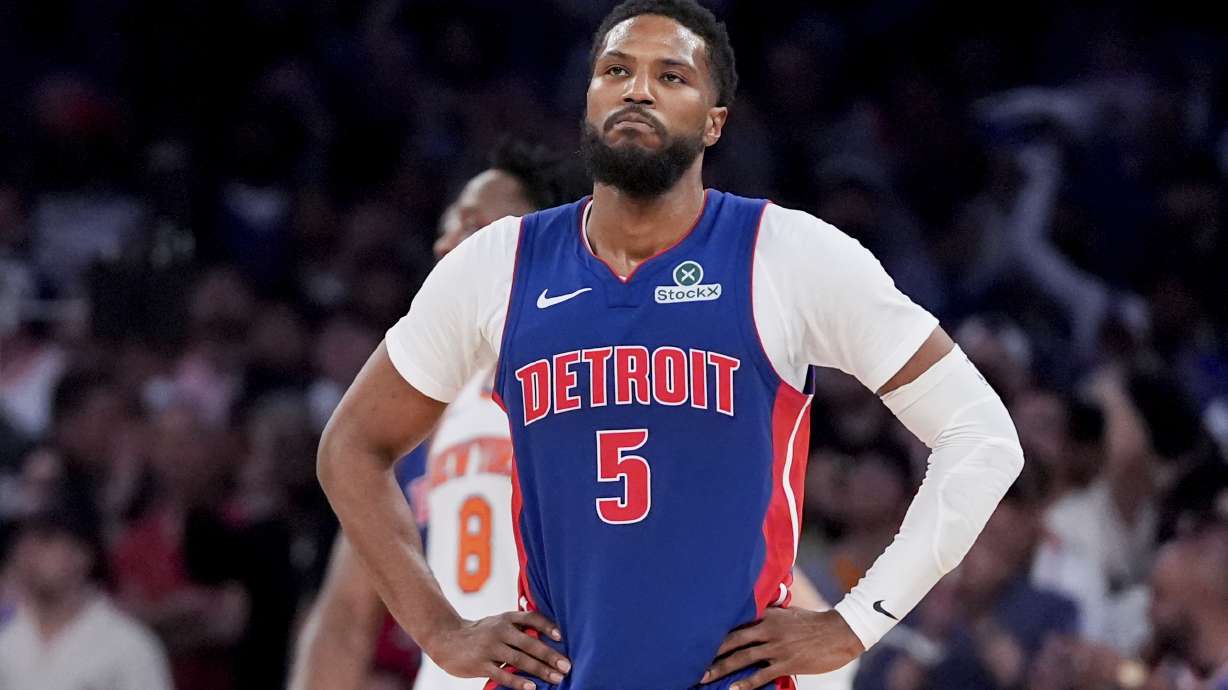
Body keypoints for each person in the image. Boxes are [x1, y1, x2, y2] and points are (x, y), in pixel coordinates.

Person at [317, 2, 1024, 690]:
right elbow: (349, 448)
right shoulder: (498, 262)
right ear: (589, 101)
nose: (639, 89)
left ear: (714, 123)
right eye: (616, 70)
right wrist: (441, 633)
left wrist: (854, 625)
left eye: (672, 76)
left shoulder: (787, 253)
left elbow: (984, 437)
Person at [291, 139, 588, 690]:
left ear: (543, 239)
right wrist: (445, 635)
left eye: (472, 224)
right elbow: (346, 616)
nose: (444, 243)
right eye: (448, 223)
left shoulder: (600, 374)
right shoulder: (415, 403)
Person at [0, 497, 174, 690]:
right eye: (22, 540)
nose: (29, 550)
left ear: (83, 554)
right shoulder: (6, 635)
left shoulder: (129, 645)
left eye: (46, 540)